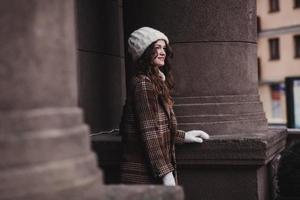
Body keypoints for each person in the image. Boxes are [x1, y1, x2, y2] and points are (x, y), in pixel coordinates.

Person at [119, 27, 209, 186]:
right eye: (156, 48)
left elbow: (160, 127)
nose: (163, 52)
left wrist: (184, 136)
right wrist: (165, 173)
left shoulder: (155, 82)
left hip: (151, 172)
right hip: (144, 175)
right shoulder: (143, 84)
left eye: (164, 48)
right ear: (144, 52)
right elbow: (149, 132)